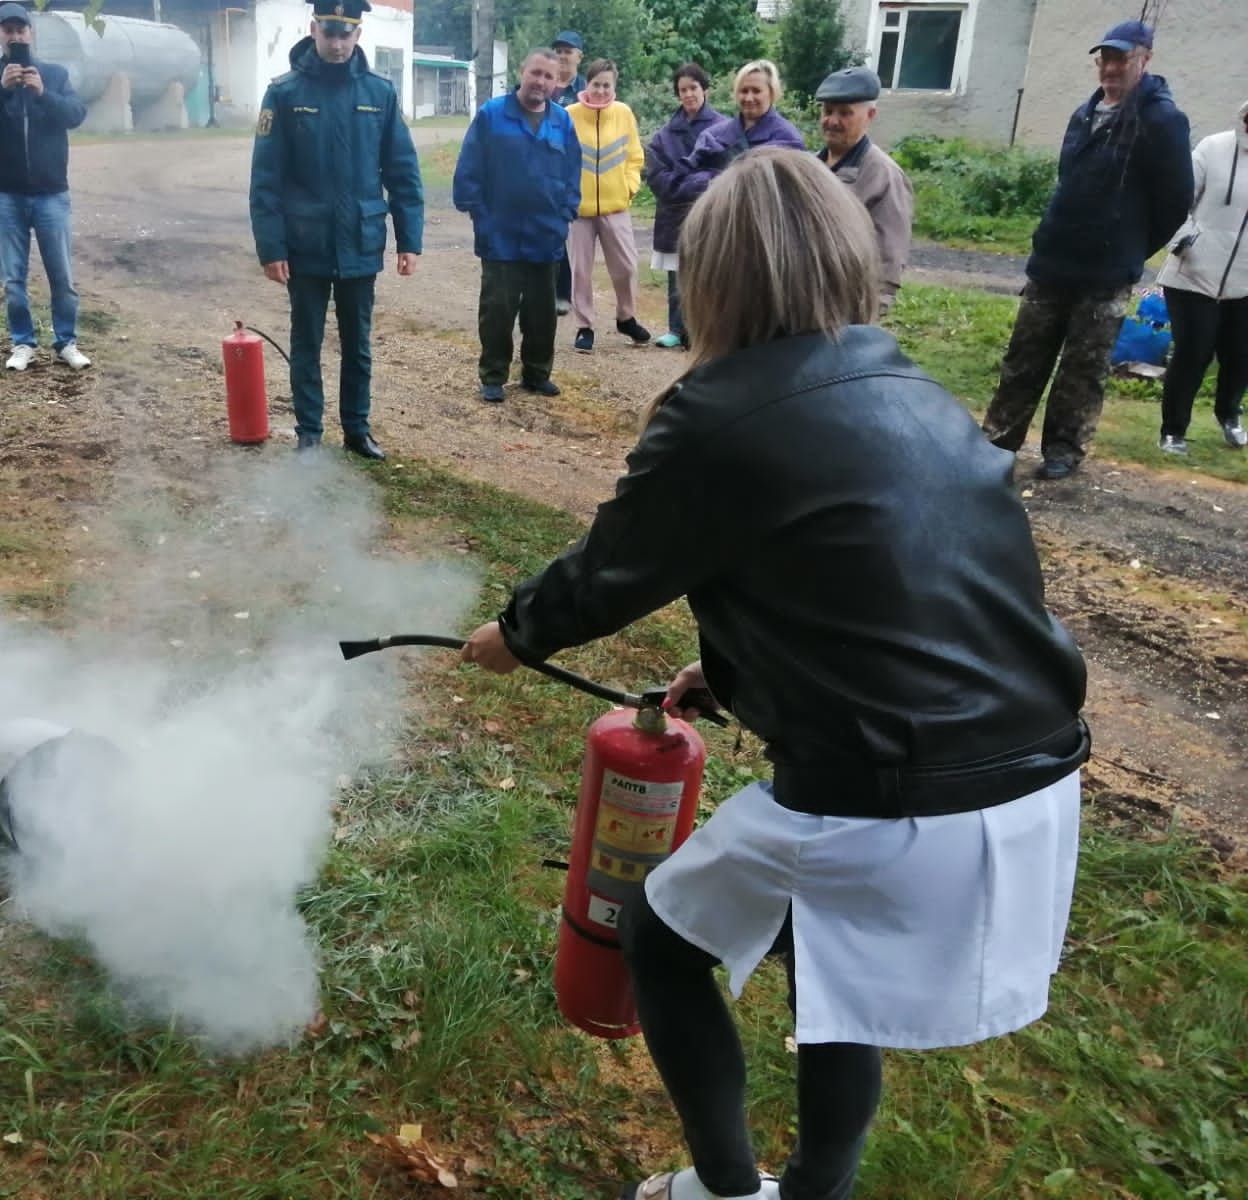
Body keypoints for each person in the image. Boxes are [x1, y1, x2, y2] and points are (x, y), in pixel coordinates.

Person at [461, 148, 1088, 1200]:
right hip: (1027, 778)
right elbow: (873, 590)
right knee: (837, 982)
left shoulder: (715, 410)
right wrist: (735, 673)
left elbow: (613, 567)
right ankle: (815, 1191)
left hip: (891, 794)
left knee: (659, 938)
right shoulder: (912, 387)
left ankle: (723, 1188)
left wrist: (512, 634)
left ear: (707, 276)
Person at [982, 20, 1192, 480]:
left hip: (1107, 271)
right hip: (1053, 261)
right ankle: (999, 439)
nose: (1111, 68)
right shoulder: (1086, 112)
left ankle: (1063, 449)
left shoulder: (1162, 120)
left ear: (1145, 59)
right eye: (1106, 58)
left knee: (1084, 368)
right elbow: (1068, 180)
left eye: (1121, 58)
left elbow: (1177, 201)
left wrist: (1131, 245)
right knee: (1024, 357)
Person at [249, 0, 425, 460]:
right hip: (304, 243)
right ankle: (309, 431)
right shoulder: (284, 93)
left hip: (360, 241)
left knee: (358, 345)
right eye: (330, 32)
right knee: (306, 340)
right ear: (314, 30)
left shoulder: (379, 93)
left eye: (346, 33)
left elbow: (402, 170)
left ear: (358, 34)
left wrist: (410, 239)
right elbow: (265, 179)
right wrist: (271, 247)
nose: (338, 42)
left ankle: (357, 429)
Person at [0, 2, 91, 373]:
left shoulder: (53, 74)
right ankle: (22, 343)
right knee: (12, 279)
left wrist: (43, 93)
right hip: (6, 194)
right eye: (8, 30)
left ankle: (66, 341)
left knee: (62, 277)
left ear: (31, 33)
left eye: (21, 30)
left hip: (51, 192)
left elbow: (75, 115)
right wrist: (0, 90)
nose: (15, 36)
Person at [453, 49, 581, 404]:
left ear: (557, 83)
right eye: (535, 73)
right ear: (522, 72)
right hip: (501, 231)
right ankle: (493, 375)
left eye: (548, 77)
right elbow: (469, 166)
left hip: (546, 232)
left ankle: (537, 373)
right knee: (497, 309)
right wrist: (478, 212)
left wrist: (566, 213)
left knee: (542, 312)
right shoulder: (493, 115)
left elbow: (572, 171)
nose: (540, 81)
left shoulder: (562, 122)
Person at [1152, 98, 1248, 454]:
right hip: (1193, 272)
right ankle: (1173, 430)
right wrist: (1185, 241)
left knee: (1240, 354)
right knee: (1194, 351)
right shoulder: (1214, 148)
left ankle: (1229, 414)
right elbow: (1177, 198)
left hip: (1244, 280)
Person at [567, 59, 652, 353]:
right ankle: (584, 326)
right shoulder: (569, 116)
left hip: (616, 206)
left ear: (614, 86)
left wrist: (629, 188)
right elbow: (560, 159)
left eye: (607, 85)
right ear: (586, 85)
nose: (601, 90)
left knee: (627, 266)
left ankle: (626, 317)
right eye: (596, 84)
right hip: (580, 211)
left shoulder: (624, 113)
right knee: (581, 271)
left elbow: (634, 156)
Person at [814, 66, 913, 317]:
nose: (833, 121)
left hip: (847, 307)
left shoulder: (884, 175)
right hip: (807, 301)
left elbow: (888, 260)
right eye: (828, 111)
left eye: (845, 113)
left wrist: (867, 316)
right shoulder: (810, 166)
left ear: (870, 115)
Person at [643, 63, 719, 349]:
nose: (688, 94)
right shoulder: (664, 135)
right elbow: (657, 176)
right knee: (676, 274)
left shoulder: (723, 128)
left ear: (705, 90)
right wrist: (691, 182)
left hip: (711, 212)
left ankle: (704, 330)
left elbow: (725, 171)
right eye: (683, 90)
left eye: (693, 88)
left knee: (708, 272)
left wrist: (687, 181)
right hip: (674, 212)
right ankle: (676, 328)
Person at [673, 60, 805, 209]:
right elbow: (684, 185)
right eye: (744, 91)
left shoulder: (787, 139)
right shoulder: (713, 136)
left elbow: (793, 197)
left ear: (772, 93)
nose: (749, 98)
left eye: (756, 91)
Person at [550, 30, 586, 319]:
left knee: (572, 240)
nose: (563, 56)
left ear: (579, 56)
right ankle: (553, 292)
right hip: (545, 170)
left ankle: (566, 294)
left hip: (575, 171)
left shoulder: (588, 91)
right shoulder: (544, 87)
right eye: (558, 50)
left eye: (568, 51)